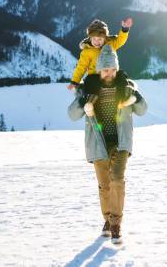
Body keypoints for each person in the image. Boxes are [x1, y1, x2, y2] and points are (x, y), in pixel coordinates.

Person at [68, 45, 148, 244]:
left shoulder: (127, 85)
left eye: (113, 69)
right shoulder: (89, 88)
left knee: (117, 180)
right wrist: (83, 104)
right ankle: (107, 219)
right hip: (98, 142)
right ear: (99, 70)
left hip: (121, 142)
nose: (109, 73)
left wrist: (134, 98)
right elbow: (72, 115)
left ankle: (115, 224)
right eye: (105, 70)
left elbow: (143, 110)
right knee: (104, 186)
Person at [67, 17, 133, 90]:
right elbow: (81, 67)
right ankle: (90, 97)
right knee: (89, 80)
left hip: (111, 75)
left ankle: (124, 93)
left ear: (105, 38)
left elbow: (120, 40)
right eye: (94, 39)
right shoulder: (87, 52)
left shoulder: (110, 44)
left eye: (100, 39)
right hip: (96, 77)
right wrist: (75, 82)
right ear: (90, 38)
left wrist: (124, 29)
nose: (97, 42)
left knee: (121, 75)